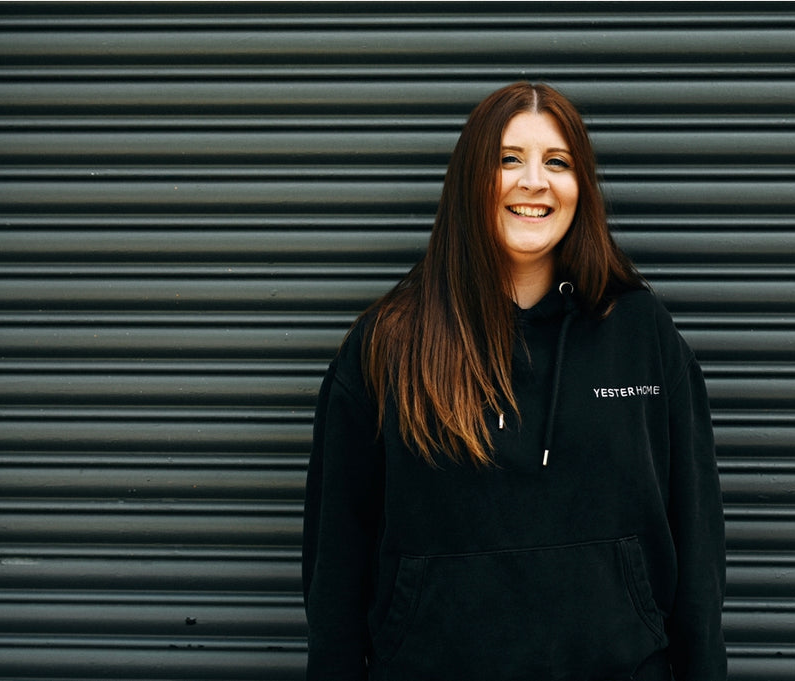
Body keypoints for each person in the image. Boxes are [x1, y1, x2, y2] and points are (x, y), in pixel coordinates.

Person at [302, 82, 726, 681]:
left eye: (557, 162)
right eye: (508, 159)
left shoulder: (640, 333)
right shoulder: (390, 343)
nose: (534, 181)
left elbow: (699, 544)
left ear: (582, 187)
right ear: (469, 180)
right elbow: (335, 572)